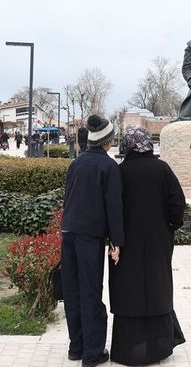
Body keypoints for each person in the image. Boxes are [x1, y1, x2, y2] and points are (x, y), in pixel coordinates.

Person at [109, 127, 186, 366]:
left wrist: (114, 239)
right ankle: (159, 347)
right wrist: (170, 225)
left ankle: (129, 348)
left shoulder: (120, 172)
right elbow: (178, 203)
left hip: (126, 242)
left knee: (128, 288)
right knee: (156, 284)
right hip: (158, 240)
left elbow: (112, 207)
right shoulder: (162, 169)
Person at [61, 114, 124, 367]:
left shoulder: (76, 164)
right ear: (107, 141)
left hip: (69, 233)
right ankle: (93, 353)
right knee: (90, 292)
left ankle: (76, 347)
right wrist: (116, 241)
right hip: (90, 238)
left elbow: (68, 199)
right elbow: (114, 207)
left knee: (72, 292)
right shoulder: (109, 167)